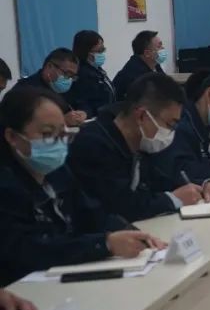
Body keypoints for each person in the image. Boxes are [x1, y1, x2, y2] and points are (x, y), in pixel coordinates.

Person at [0, 86, 165, 286]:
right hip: (23, 287)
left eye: (63, 135)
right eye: (47, 134)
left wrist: (131, 232)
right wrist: (105, 244)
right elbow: (29, 250)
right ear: (12, 136)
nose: (58, 144)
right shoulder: (6, 186)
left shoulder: (58, 172)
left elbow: (90, 213)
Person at [68, 72, 210, 222]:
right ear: (142, 116)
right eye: (170, 124)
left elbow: (162, 178)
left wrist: (202, 187)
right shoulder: (94, 144)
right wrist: (173, 199)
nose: (172, 133)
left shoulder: (142, 143)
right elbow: (120, 206)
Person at [10, 48, 86, 127]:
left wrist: (82, 113)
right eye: (66, 73)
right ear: (50, 66)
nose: (69, 79)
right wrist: (61, 120)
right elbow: (20, 122)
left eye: (72, 76)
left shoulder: (64, 87)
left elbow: (82, 103)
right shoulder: (25, 89)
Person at [68, 30, 116, 117]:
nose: (102, 53)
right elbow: (84, 103)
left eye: (103, 49)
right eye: (100, 50)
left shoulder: (97, 69)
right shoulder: (82, 73)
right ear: (87, 51)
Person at [113, 30, 167, 102]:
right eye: (159, 46)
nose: (163, 48)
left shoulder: (155, 65)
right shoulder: (134, 74)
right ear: (147, 53)